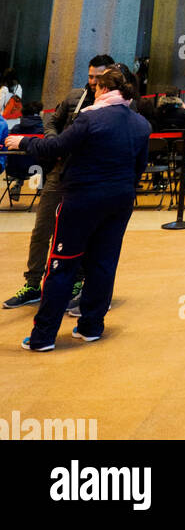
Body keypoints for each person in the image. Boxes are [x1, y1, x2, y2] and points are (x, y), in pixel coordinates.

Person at [4, 67, 151, 349]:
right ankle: (91, 326)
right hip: (120, 200)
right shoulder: (141, 124)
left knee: (62, 264)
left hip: (83, 198)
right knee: (103, 263)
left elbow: (57, 147)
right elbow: (139, 167)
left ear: (104, 89)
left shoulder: (90, 119)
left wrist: (23, 141)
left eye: (96, 88)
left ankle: (43, 336)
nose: (92, 91)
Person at [3, 55, 114, 310]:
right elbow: (51, 121)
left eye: (99, 77)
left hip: (89, 176)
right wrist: (54, 142)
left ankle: (76, 282)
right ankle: (32, 284)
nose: (94, 82)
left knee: (81, 233)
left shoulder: (112, 105)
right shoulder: (75, 96)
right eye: (91, 77)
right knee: (42, 228)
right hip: (59, 171)